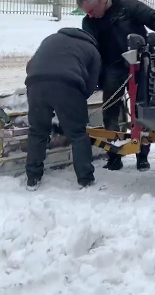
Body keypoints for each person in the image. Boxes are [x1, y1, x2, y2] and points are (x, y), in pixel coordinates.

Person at [76, 0, 155, 172]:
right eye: (86, 13)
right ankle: (114, 156)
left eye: (91, 10)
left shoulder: (127, 6)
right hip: (112, 68)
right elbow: (89, 49)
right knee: (110, 111)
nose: (89, 15)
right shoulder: (89, 22)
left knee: (141, 110)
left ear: (101, 0)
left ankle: (142, 155)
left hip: (140, 63)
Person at [24, 28, 101, 191]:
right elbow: (91, 84)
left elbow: (30, 65)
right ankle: (85, 179)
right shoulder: (93, 50)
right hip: (68, 85)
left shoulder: (51, 38)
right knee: (78, 134)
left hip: (35, 84)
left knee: (37, 132)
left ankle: (32, 179)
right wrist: (76, 104)